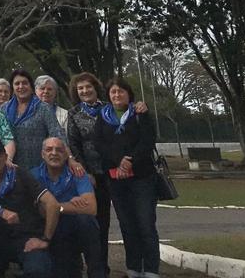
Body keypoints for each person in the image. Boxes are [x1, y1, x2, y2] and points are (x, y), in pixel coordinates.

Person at [0, 138, 59, 278]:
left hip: (24, 237)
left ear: (6, 156)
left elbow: (53, 204)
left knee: (39, 271)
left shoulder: (20, 174)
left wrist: (45, 239)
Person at [95, 77, 160, 278]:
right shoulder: (103, 116)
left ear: (128, 94)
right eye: (113, 92)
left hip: (142, 177)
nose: (117, 95)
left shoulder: (140, 113)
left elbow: (148, 140)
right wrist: (118, 160)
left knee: (146, 222)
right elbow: (100, 143)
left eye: (120, 91)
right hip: (116, 178)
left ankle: (150, 268)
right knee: (127, 224)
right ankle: (133, 267)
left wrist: (130, 159)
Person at [34, 137, 105, 278]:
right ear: (42, 154)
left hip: (73, 228)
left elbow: (91, 208)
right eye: (49, 150)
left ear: (66, 155)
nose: (54, 153)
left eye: (59, 150)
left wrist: (55, 207)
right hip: (49, 230)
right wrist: (71, 205)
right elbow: (36, 210)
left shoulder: (78, 173)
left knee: (87, 221)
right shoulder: (33, 175)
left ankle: (96, 273)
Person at [67, 71, 116, 266]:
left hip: (113, 172)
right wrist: (86, 173)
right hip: (90, 175)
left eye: (88, 87)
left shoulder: (109, 109)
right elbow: (74, 145)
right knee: (94, 223)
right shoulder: (74, 114)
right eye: (80, 88)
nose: (85, 91)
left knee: (107, 223)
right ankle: (96, 266)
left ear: (96, 88)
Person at [4, 69, 68, 172]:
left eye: (25, 83)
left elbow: (57, 134)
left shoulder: (43, 108)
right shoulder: (4, 109)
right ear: (12, 87)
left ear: (31, 87)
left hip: (37, 168)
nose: (21, 86)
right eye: (17, 84)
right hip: (9, 167)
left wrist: (70, 158)